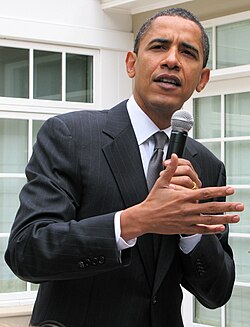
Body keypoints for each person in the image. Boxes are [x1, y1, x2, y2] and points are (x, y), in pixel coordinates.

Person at [5, 7, 244, 327]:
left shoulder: (208, 167)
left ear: (201, 79)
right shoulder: (71, 136)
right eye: (159, 46)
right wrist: (136, 220)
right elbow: (28, 251)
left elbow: (216, 293)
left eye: (187, 52)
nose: (172, 59)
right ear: (131, 63)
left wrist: (190, 230)